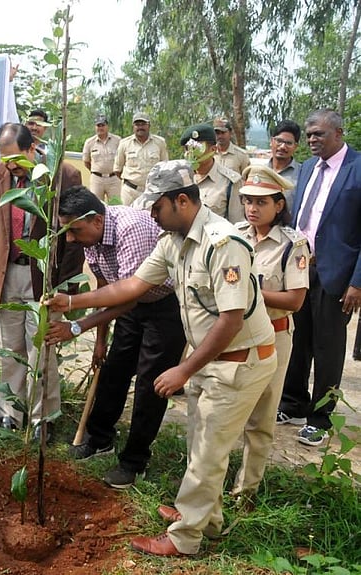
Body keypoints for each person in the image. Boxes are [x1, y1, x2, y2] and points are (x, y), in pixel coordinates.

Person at [47, 159, 277, 557]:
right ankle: (207, 518)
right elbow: (132, 286)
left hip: (240, 361)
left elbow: (231, 319)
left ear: (182, 201)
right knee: (202, 443)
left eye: (156, 207)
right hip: (213, 360)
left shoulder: (223, 244)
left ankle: (185, 537)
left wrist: (184, 369)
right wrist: (71, 302)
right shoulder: (172, 241)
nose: (150, 214)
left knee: (207, 451)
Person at [48, 186, 186, 489]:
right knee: (113, 372)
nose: (70, 239)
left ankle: (134, 462)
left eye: (75, 231)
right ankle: (100, 440)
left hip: (164, 307)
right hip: (128, 306)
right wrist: (101, 341)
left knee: (151, 385)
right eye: (67, 231)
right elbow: (104, 286)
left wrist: (77, 324)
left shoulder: (130, 230)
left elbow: (129, 297)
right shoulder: (91, 236)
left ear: (97, 220)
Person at [0, 122, 84, 443]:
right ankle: (10, 412)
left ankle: (42, 418)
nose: (11, 166)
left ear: (32, 148)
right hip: (7, 275)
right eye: (5, 159)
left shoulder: (63, 175)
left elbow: (74, 238)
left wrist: (67, 288)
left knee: (42, 350)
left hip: (45, 278)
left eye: (16, 159)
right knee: (11, 349)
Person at [279, 109, 361, 446]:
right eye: (309, 134)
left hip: (337, 273)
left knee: (327, 347)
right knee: (297, 339)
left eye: (319, 134)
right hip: (300, 268)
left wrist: (357, 282)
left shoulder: (357, 168)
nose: (312, 139)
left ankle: (320, 419)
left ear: (338, 133)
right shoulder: (308, 167)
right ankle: (293, 404)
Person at [231, 165, 308, 503]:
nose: (252, 208)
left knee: (261, 418)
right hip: (234, 333)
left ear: (279, 205)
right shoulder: (234, 235)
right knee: (224, 411)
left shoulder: (293, 244)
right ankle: (208, 486)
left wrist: (250, 293)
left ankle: (245, 492)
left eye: (261, 202)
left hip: (274, 337)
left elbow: (295, 300)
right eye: (248, 200)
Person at [179, 124, 243, 223]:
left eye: (196, 148)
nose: (191, 153)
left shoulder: (230, 181)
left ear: (213, 149)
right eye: (187, 148)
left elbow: (236, 222)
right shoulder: (180, 178)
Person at [114, 112, 169, 205]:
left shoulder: (160, 142)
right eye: (137, 124)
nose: (140, 127)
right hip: (130, 192)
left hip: (153, 192)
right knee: (128, 214)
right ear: (133, 126)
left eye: (143, 124)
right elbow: (117, 170)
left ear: (149, 125)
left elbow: (165, 168)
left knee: (153, 215)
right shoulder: (124, 144)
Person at [82, 114, 122, 203]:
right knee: (96, 205)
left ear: (107, 126)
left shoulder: (118, 140)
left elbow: (122, 159)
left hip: (114, 179)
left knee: (116, 204)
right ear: (95, 127)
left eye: (103, 125)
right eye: (98, 125)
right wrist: (97, 171)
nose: (100, 128)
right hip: (97, 180)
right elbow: (86, 162)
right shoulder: (89, 142)